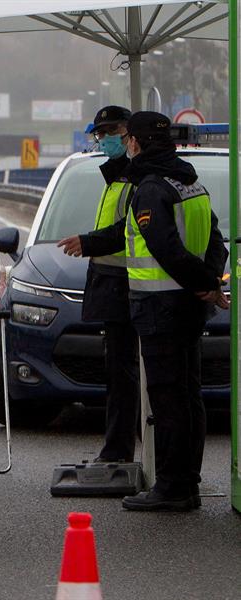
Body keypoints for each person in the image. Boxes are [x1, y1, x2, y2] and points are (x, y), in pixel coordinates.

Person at [116, 111, 228, 511]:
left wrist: (203, 284)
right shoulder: (190, 181)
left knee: (166, 400)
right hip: (189, 307)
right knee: (188, 395)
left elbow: (166, 250)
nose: (125, 144)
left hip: (161, 307)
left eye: (127, 138)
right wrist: (209, 281)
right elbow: (217, 240)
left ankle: (171, 487)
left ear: (137, 143)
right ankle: (188, 481)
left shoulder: (150, 188)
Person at [57, 106, 140, 463]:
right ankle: (116, 449)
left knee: (125, 377)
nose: (105, 139)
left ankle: (119, 452)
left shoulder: (137, 178)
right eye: (100, 133)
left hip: (131, 286)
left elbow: (130, 230)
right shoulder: (115, 176)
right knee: (118, 375)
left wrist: (89, 242)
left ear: (130, 133)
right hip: (114, 286)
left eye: (113, 131)